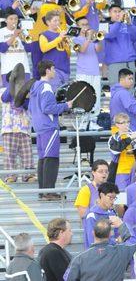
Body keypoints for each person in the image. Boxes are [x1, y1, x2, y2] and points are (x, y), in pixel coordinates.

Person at [30, 60, 72, 198]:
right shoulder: (46, 87)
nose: (54, 71)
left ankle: (43, 192)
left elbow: (32, 107)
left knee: (43, 159)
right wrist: (66, 105)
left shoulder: (35, 86)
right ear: (47, 70)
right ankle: (49, 192)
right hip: (48, 126)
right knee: (52, 159)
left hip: (39, 127)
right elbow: (47, 108)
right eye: (53, 69)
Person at [64, 218, 136, 281]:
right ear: (110, 235)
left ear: (93, 233)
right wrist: (121, 224)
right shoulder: (121, 252)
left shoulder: (79, 258)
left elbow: (67, 279)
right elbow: (133, 241)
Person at [0, 68, 35, 184]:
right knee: (9, 155)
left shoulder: (25, 93)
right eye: (16, 79)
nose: (19, 82)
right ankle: (10, 176)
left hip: (24, 128)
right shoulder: (4, 91)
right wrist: (12, 86)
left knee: (27, 154)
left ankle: (29, 175)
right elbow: (5, 98)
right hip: (9, 128)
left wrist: (23, 94)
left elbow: (27, 106)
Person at [72, 17, 102, 130]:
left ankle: (93, 121)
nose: (86, 27)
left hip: (95, 72)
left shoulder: (92, 38)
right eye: (83, 25)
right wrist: (88, 39)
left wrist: (98, 39)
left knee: (97, 96)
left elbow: (99, 49)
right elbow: (82, 50)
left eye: (87, 24)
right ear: (78, 26)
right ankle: (83, 122)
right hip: (83, 72)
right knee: (83, 97)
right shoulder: (75, 39)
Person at [82, 182, 121, 248]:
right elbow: (92, 241)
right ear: (102, 195)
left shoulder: (112, 213)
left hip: (112, 253)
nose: (113, 201)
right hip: (97, 255)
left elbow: (117, 234)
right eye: (110, 197)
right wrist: (116, 241)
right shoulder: (92, 216)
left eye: (114, 198)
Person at [39, 11, 71, 91]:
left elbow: (68, 54)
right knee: (54, 94)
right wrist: (59, 39)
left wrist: (67, 44)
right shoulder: (44, 35)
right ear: (48, 22)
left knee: (63, 96)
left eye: (58, 21)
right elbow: (44, 48)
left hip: (65, 69)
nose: (58, 23)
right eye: (55, 21)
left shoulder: (61, 35)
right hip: (53, 69)